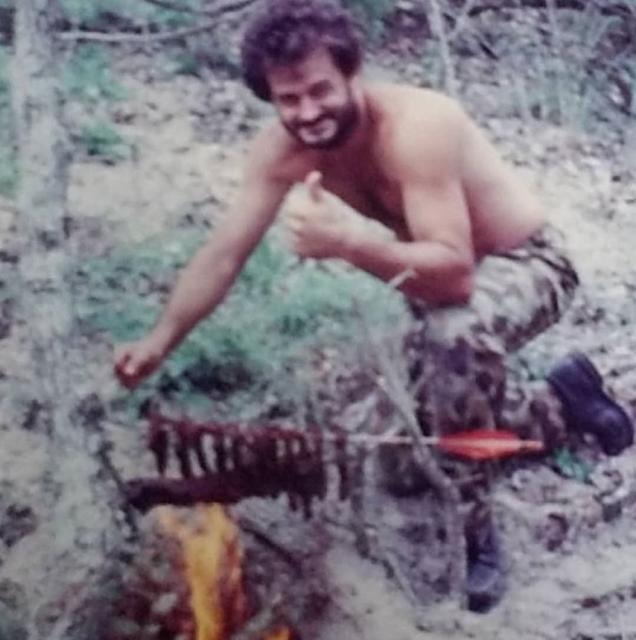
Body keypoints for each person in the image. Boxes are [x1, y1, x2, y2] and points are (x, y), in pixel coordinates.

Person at [114, 0, 633, 613]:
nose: (307, 112)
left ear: (352, 72)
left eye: (319, 90)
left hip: (526, 264)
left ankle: (473, 528)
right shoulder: (280, 150)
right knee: (401, 439)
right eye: (288, 100)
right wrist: (160, 339)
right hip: (430, 275)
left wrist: (349, 243)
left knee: (452, 338)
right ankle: (562, 404)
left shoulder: (417, 126)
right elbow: (222, 255)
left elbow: (455, 279)